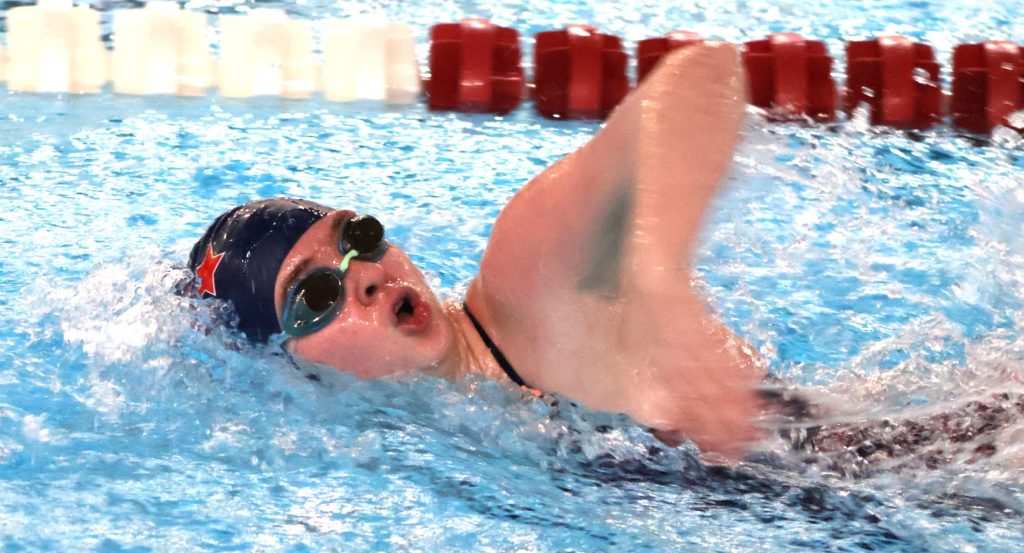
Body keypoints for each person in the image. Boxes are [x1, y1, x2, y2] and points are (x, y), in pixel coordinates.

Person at [187, 43, 774, 460]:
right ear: (290, 369)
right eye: (316, 294)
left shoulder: (532, 280)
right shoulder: (429, 450)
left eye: (356, 238)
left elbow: (702, 74)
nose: (363, 273)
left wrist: (659, 276)